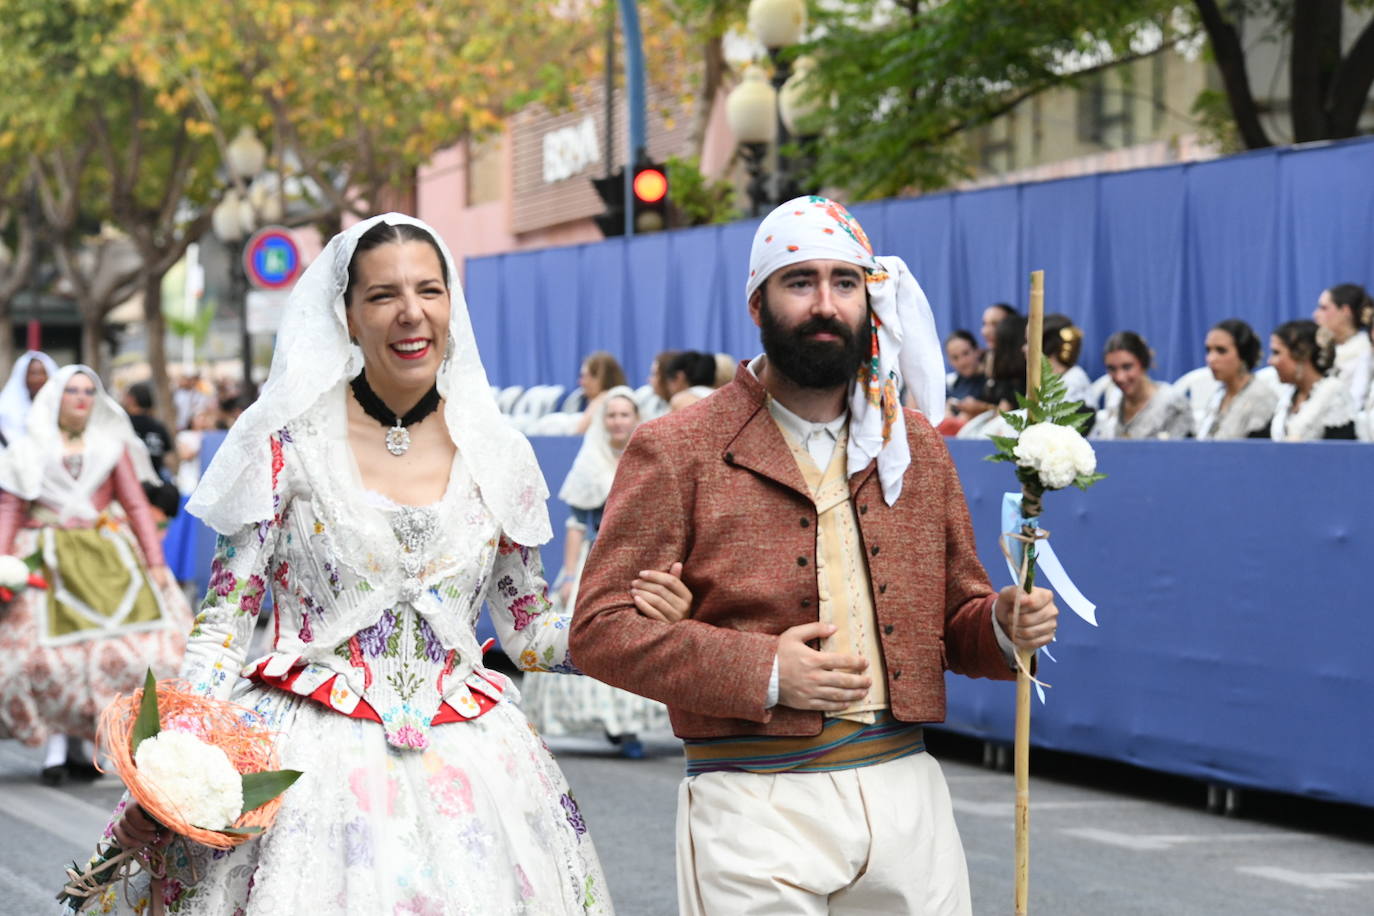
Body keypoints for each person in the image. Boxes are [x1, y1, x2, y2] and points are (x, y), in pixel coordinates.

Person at [103, 215, 690, 914]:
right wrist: (176, 764)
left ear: (451, 306)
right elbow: (225, 625)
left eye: (429, 291)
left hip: (474, 767)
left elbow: (529, 634)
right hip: (306, 767)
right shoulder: (285, 443)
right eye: (383, 296)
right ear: (347, 316)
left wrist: (630, 624)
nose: (412, 313)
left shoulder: (498, 456)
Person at [571, 196, 1059, 915]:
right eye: (800, 282)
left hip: (905, 795)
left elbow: (957, 620)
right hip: (751, 800)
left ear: (870, 297)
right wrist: (767, 670)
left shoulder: (915, 446)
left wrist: (1000, 627)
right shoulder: (677, 449)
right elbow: (600, 630)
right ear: (757, 303)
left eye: (844, 282)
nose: (825, 304)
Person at [0, 366, 189, 785]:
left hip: (106, 557)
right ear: (55, 397)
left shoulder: (111, 445)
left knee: (123, 651)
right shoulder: (28, 448)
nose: (82, 398)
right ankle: (56, 746)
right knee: (44, 658)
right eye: (72, 391)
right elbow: (10, 508)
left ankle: (88, 745)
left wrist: (156, 561)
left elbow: (137, 504)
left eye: (89, 391)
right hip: (46, 554)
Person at [521, 386, 675, 759]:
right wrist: (571, 573)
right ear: (603, 421)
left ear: (636, 419)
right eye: (612, 415)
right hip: (599, 558)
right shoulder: (590, 462)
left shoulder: (651, 457)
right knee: (589, 632)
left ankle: (628, 726)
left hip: (640, 560)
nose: (618, 421)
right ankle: (598, 722)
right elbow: (577, 522)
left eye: (625, 415)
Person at [1268, 319, 1357, 441]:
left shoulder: (1334, 393)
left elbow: (1341, 452)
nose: (1270, 361)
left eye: (1276, 353)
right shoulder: (1288, 396)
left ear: (1302, 354)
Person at [1093, 331, 1192, 439]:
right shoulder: (1114, 400)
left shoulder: (1173, 404)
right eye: (1112, 369)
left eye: (1127, 367)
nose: (1119, 377)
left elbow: (1183, 452)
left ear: (1143, 363)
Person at [1196, 319, 1277, 440]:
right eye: (1208, 350)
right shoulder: (1218, 395)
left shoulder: (1261, 398)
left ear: (1243, 354)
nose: (1211, 359)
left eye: (1221, 351)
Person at [1312, 283, 1372, 407]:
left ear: (1345, 311)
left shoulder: (1365, 353)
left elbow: (1356, 402)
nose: (1315, 315)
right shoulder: (1320, 350)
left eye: (1324, 308)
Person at [0, 349, 59, 446]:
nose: (39, 378)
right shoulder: (5, 409)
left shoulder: (60, 406)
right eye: (34, 373)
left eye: (43, 373)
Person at [121, 380, 173, 479]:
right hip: (156, 485)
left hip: (131, 484)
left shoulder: (124, 426)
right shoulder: (159, 427)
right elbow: (168, 458)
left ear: (131, 399)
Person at [574, 350, 629, 434]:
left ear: (599, 378)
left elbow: (577, 434)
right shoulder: (582, 401)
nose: (581, 382)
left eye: (584, 376)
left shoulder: (604, 399)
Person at [943, 329, 986, 413]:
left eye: (966, 353)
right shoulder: (954, 382)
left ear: (977, 350)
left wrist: (981, 407)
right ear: (949, 361)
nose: (962, 362)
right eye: (955, 358)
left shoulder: (992, 379)